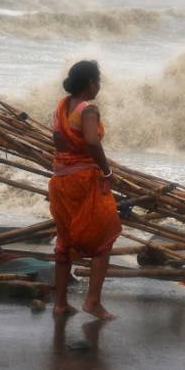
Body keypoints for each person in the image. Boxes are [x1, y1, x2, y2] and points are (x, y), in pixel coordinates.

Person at [48, 60, 121, 319]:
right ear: (91, 82)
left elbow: (59, 141)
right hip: (84, 180)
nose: (99, 86)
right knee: (105, 231)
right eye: (98, 81)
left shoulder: (61, 107)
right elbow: (91, 141)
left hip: (60, 180)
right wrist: (107, 170)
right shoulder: (88, 109)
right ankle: (93, 302)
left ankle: (60, 303)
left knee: (65, 238)